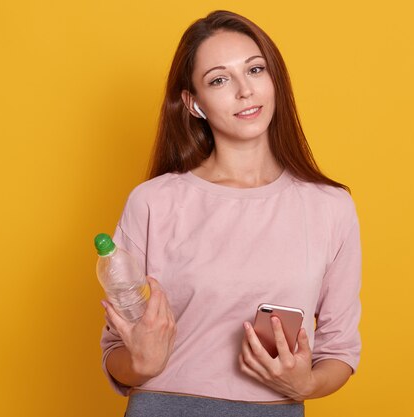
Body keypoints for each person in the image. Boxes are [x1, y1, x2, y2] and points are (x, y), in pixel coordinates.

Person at [100, 10, 362, 417]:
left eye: (255, 70)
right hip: (165, 407)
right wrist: (140, 364)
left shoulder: (330, 207)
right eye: (219, 79)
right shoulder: (153, 202)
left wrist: (306, 382)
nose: (245, 91)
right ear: (194, 103)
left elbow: (340, 351)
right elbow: (116, 350)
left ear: (274, 79)